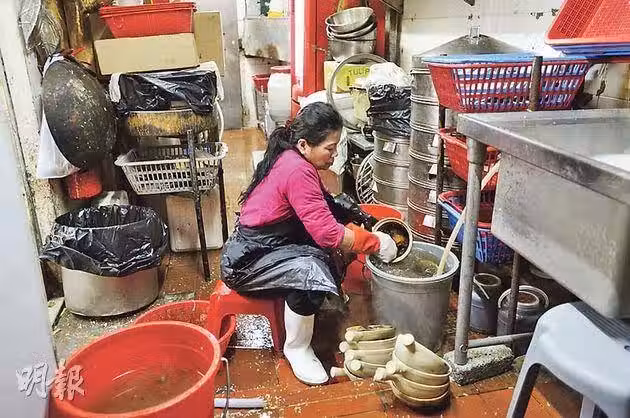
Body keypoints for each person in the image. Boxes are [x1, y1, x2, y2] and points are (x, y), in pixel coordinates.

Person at [220, 102, 397, 385]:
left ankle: (306, 314)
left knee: (326, 253)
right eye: (330, 148)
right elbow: (327, 233)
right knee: (311, 271)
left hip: (263, 245)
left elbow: (322, 207)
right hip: (246, 263)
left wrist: (357, 218)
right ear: (304, 145)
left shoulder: (294, 158)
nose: (334, 154)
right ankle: (297, 348)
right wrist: (375, 243)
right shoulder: (296, 170)